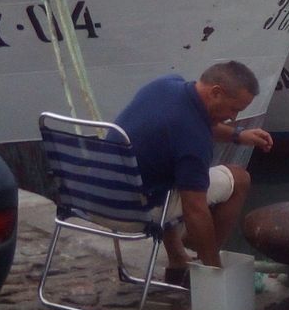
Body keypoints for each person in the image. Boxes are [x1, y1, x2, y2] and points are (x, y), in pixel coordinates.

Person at [114, 61, 273, 285]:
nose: (233, 118)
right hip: (131, 214)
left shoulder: (164, 85)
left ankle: (178, 259)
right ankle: (198, 270)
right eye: (234, 109)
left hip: (98, 198)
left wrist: (238, 135)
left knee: (170, 172)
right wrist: (215, 274)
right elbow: (195, 210)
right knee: (239, 179)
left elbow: (190, 121)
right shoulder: (194, 141)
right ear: (216, 92)